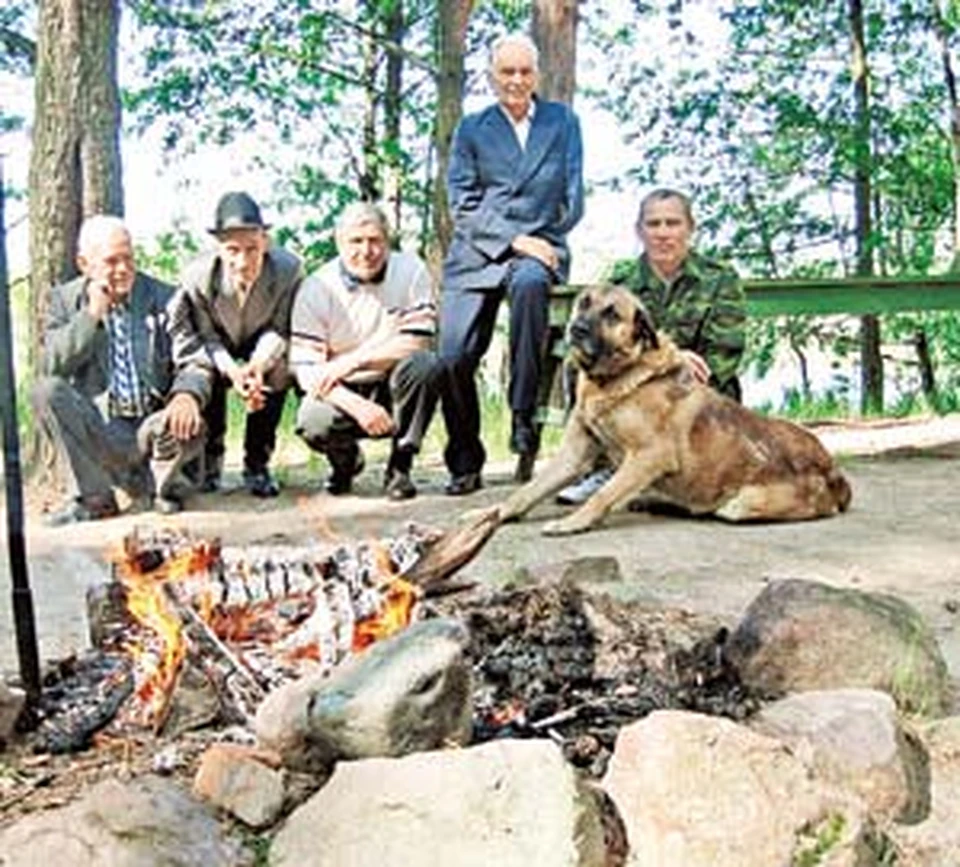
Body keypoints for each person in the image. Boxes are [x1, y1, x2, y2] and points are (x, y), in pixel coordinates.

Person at [436, 31, 584, 495]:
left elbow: (573, 197)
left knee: (530, 286)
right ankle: (464, 459)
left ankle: (522, 415)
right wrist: (512, 238)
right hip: (478, 252)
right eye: (507, 72)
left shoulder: (562, 122)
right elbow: (462, 204)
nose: (517, 81)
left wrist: (542, 241)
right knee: (452, 355)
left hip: (539, 249)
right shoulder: (472, 129)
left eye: (524, 71)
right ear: (491, 77)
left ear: (536, 75)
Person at [556, 186, 747, 505]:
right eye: (653, 224)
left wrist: (677, 366)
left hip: (697, 393)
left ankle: (671, 476)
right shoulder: (622, 280)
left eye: (672, 223)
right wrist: (670, 358)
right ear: (639, 231)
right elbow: (602, 347)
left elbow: (725, 353)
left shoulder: (720, 278)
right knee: (576, 367)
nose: (662, 233)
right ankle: (603, 468)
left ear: (690, 228)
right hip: (635, 389)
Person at [33, 215, 209, 524]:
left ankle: (160, 486)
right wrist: (91, 315)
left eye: (129, 258)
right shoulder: (64, 301)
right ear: (84, 264)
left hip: (152, 426)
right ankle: (95, 499)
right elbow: (51, 365)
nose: (124, 269)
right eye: (112, 261)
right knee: (44, 391)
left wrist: (187, 394)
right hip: (103, 429)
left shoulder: (165, 297)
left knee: (186, 418)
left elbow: (193, 359)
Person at [289, 203, 438, 500]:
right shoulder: (317, 286)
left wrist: (352, 362)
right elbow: (307, 370)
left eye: (375, 240)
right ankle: (344, 464)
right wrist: (358, 406)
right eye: (356, 241)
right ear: (339, 242)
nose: (366, 250)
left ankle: (400, 467)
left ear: (387, 241)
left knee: (425, 365)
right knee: (313, 420)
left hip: (392, 380)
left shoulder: (411, 270)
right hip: (340, 390)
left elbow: (417, 340)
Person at [177, 191, 304, 497]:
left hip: (264, 342)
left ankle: (257, 465)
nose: (243, 261)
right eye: (232, 250)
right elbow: (205, 337)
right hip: (218, 347)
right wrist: (233, 372)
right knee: (202, 374)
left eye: (252, 249)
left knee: (280, 371)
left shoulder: (289, 270)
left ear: (266, 242)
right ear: (218, 248)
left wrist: (258, 367)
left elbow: (280, 328)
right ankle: (210, 464)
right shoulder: (196, 277)